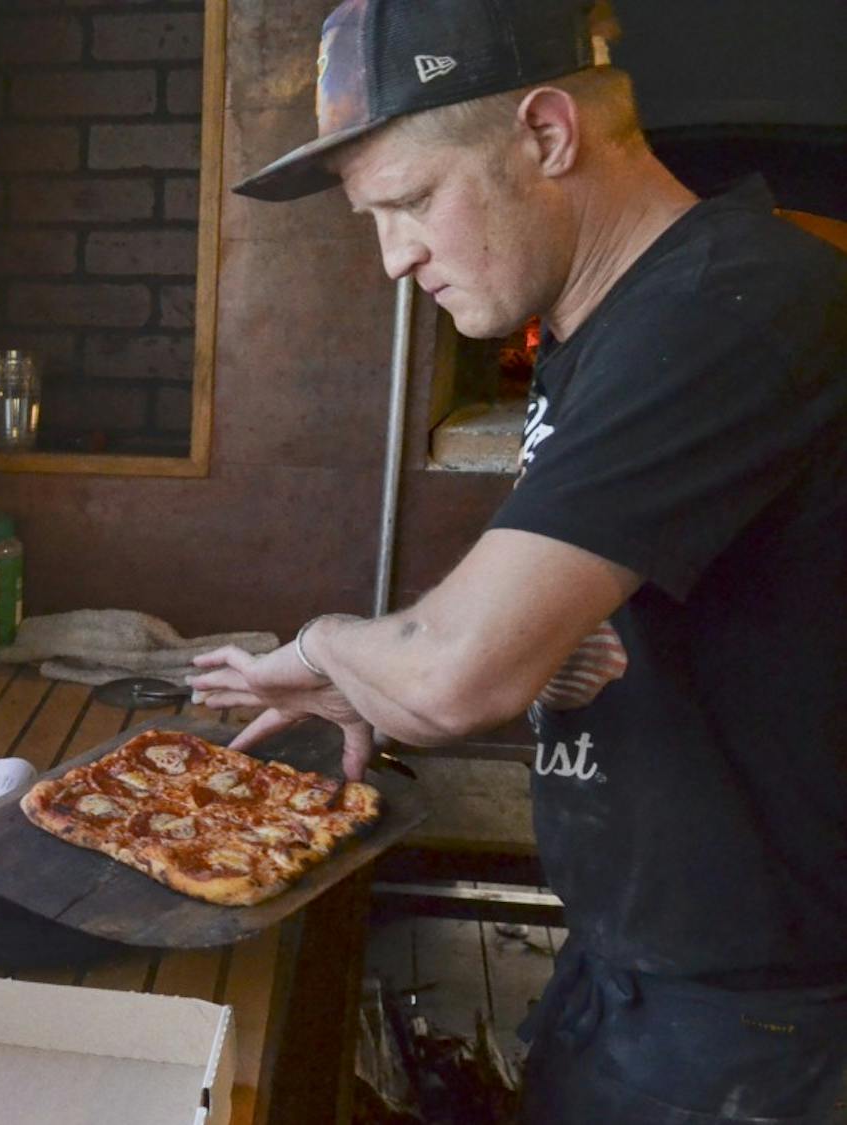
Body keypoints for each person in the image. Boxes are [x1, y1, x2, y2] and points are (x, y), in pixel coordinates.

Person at [187, 0, 847, 1120]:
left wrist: (330, 647)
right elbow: (597, 629)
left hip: (754, 1021)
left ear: (547, 132)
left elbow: (461, 675)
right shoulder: (608, 323)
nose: (395, 258)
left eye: (410, 202)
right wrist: (373, 676)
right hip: (648, 966)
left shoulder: (730, 308)